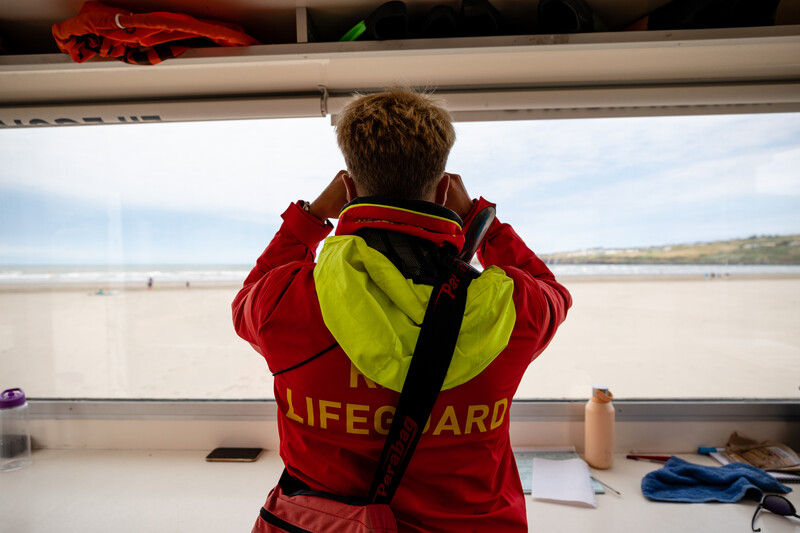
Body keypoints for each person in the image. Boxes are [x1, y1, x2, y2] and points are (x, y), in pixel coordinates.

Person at [232, 88, 572, 532]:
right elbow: (552, 291)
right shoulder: (512, 308)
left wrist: (312, 216)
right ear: (446, 189)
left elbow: (246, 299)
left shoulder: (285, 301)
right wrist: (479, 220)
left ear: (348, 188)